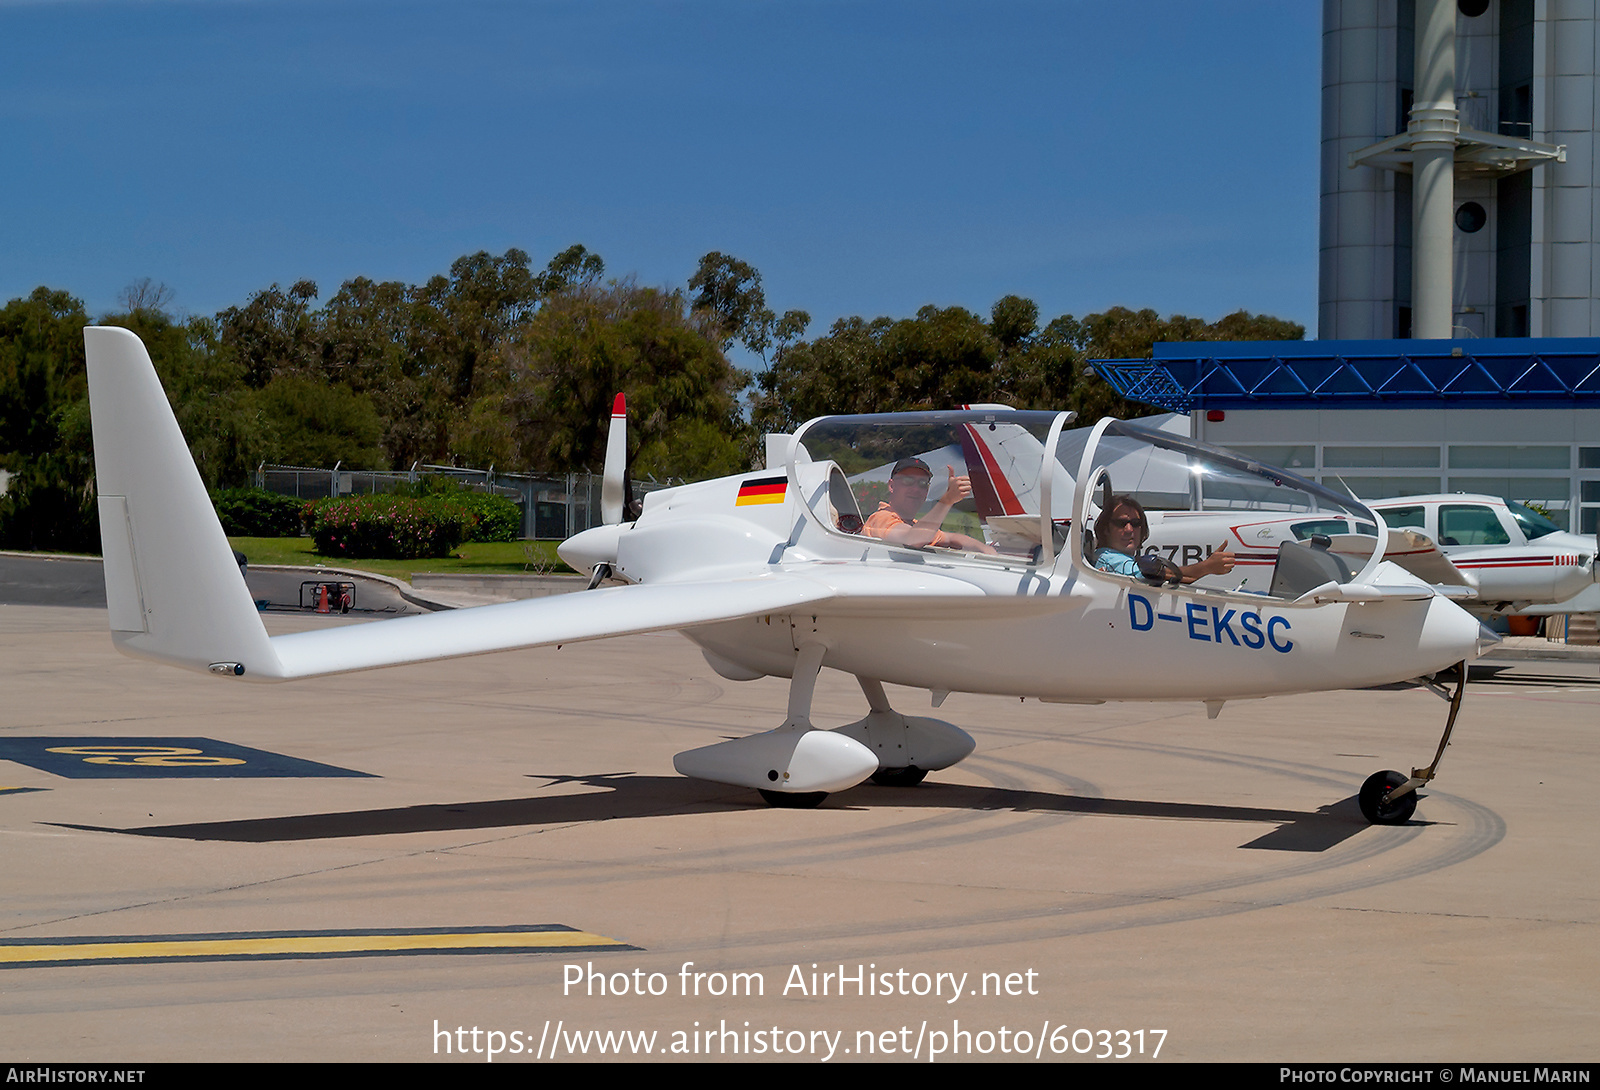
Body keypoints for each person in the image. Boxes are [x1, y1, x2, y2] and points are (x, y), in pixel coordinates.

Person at [862, 457, 997, 554]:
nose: (916, 489)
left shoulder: (913, 524)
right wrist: (948, 500)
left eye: (922, 484)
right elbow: (913, 539)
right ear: (892, 486)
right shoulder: (880, 519)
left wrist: (988, 551)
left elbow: (951, 538)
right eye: (908, 480)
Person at [1093, 494, 1235, 582]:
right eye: (1121, 523)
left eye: (1136, 524)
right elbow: (1164, 576)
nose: (1129, 530)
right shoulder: (1109, 560)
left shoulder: (1117, 559)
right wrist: (1207, 567)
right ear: (1105, 528)